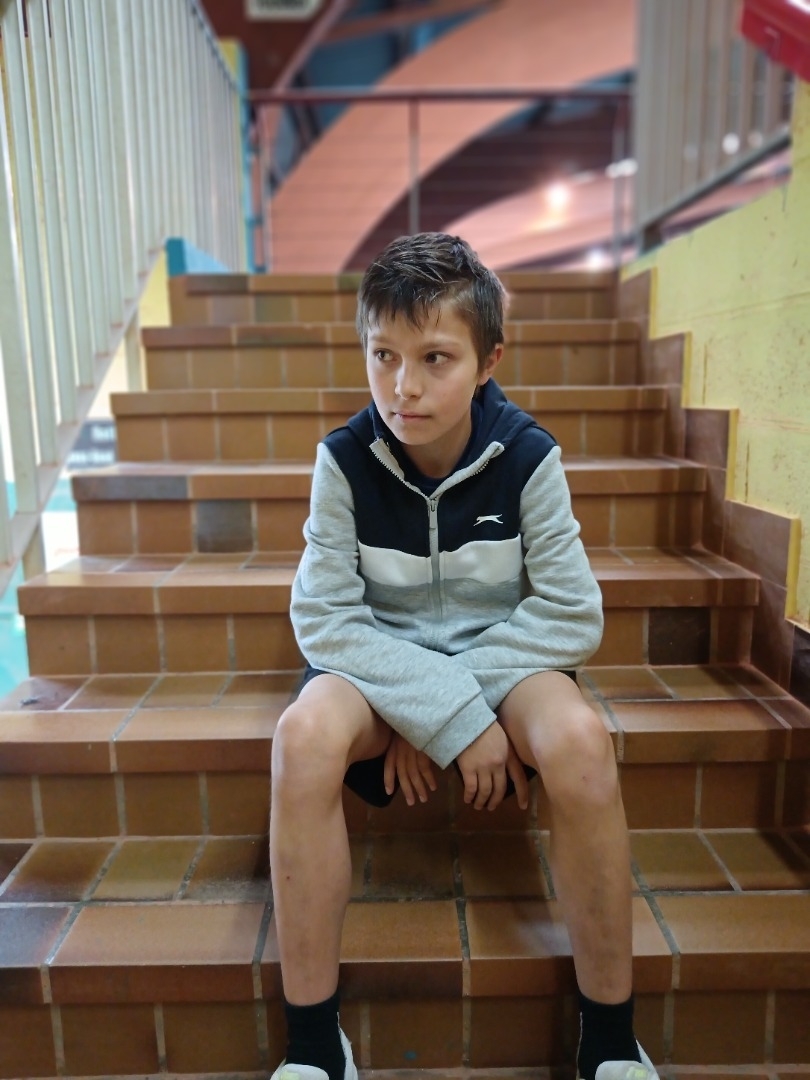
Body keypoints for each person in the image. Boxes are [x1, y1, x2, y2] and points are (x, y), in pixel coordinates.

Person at [269, 232, 659, 1080]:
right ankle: (313, 1047)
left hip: (504, 663)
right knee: (301, 738)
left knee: (581, 743)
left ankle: (609, 1039)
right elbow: (326, 622)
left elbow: (571, 612)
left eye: (435, 359)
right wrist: (434, 710)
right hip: (377, 664)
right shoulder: (344, 462)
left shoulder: (528, 457)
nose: (402, 387)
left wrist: (452, 705)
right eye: (383, 355)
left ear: (488, 362)